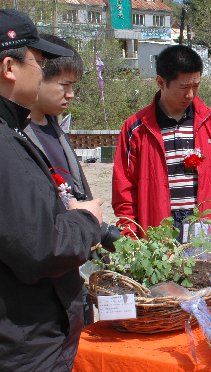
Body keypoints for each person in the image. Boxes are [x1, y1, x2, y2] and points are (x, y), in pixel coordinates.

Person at [0, 9, 103, 371]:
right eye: (40, 62)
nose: (44, 72)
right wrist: (87, 220)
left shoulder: (12, 130)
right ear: (10, 68)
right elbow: (40, 245)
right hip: (24, 343)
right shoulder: (5, 142)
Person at [112, 45, 211, 241]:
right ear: (161, 82)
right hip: (158, 227)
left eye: (196, 86)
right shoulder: (136, 129)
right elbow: (124, 190)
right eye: (183, 87)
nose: (190, 95)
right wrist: (130, 235)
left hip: (205, 225)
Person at [24, 34, 97, 326]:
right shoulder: (18, 135)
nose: (70, 95)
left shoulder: (55, 129)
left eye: (73, 87)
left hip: (75, 260)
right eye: (64, 86)